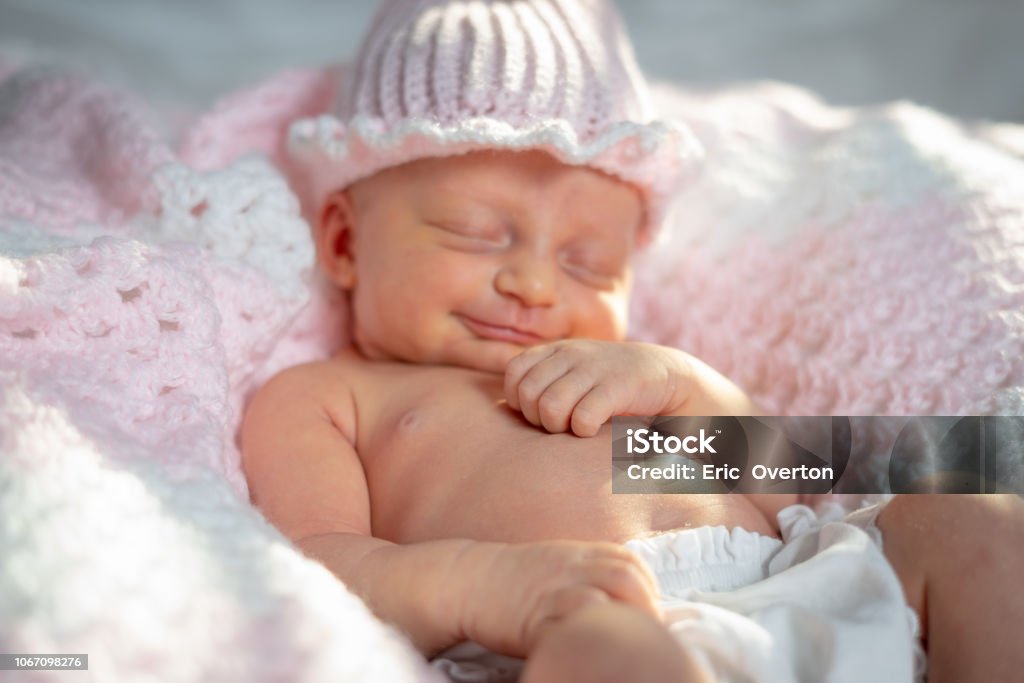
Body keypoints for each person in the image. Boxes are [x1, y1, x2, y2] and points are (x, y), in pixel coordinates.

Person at [242, 1, 1024, 681]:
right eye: (475, 233)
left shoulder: (623, 388)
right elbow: (319, 567)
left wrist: (687, 389)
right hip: (586, 616)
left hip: (796, 579)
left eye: (589, 263)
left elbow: (804, 479)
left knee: (975, 515)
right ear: (344, 243)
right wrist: (483, 585)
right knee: (608, 647)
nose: (536, 286)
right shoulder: (335, 395)